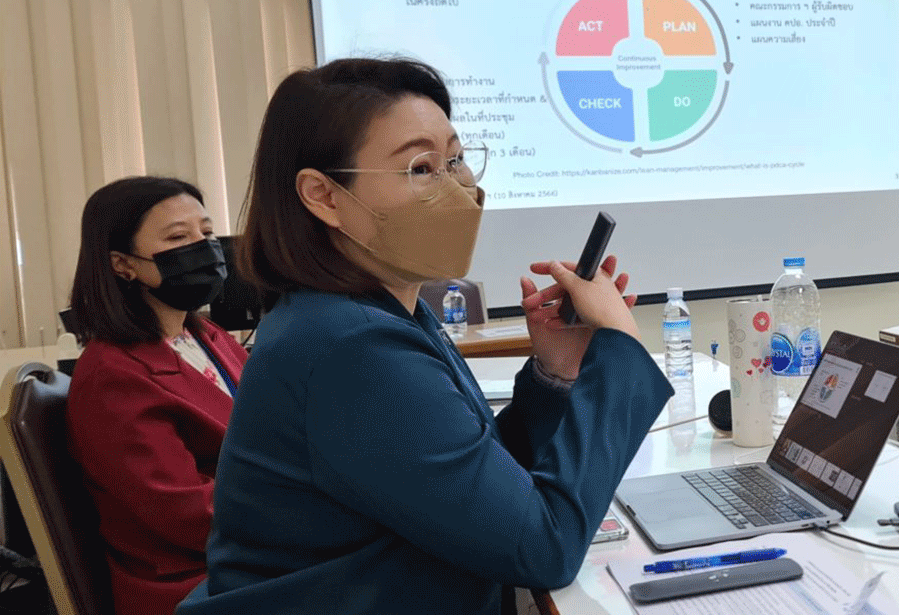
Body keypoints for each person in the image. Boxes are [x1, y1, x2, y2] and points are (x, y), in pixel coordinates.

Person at [176, 58, 673, 615]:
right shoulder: (351, 347)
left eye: (456, 160)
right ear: (324, 196)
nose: (458, 187)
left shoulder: (371, 313)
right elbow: (543, 547)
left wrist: (553, 373)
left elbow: (470, 483)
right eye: (421, 168)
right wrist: (622, 346)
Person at [66, 177, 248, 615]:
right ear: (122, 264)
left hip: (246, 549)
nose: (204, 248)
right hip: (195, 580)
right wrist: (305, 509)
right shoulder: (112, 375)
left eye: (206, 232)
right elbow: (186, 514)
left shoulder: (207, 336)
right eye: (178, 237)